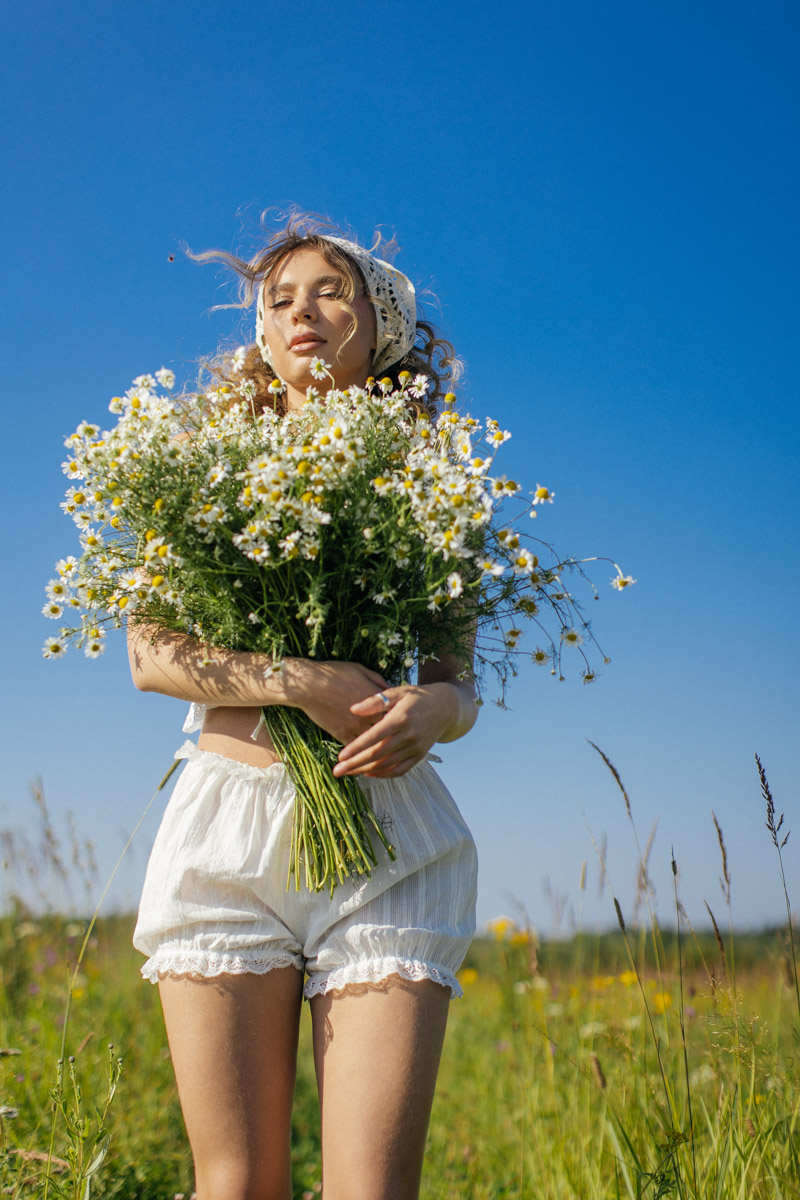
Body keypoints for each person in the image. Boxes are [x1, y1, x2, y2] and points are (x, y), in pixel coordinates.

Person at [128, 216, 479, 1200]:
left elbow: (459, 676)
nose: (300, 312)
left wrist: (433, 708)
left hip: (386, 842)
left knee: (372, 1189)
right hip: (227, 840)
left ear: (381, 323)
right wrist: (299, 680)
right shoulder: (195, 461)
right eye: (277, 300)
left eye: (330, 291)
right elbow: (150, 657)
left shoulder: (432, 476)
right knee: (237, 1184)